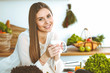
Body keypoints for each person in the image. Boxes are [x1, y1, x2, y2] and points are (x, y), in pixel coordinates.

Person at [0, 2, 64, 73]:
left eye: (48, 16)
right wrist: (46, 56)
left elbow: (57, 71)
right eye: (40, 19)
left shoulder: (54, 36)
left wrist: (56, 56)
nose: (47, 21)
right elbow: (29, 71)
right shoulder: (24, 37)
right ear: (34, 22)